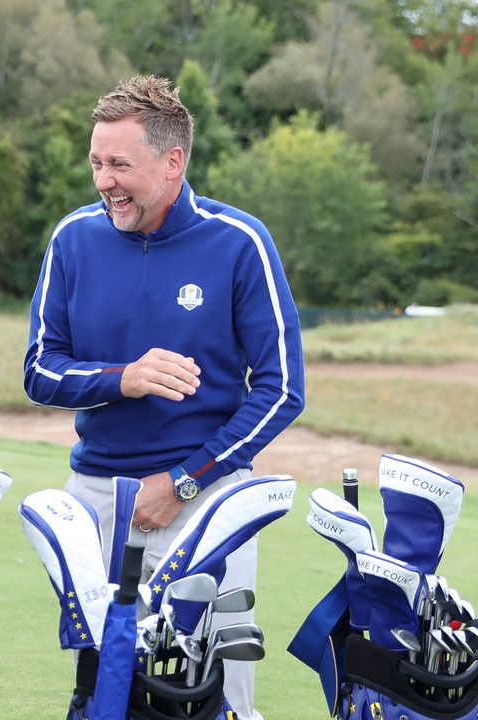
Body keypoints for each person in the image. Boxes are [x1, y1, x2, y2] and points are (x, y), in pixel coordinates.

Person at [23, 75, 304, 720]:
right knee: (102, 692)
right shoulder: (72, 238)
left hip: (204, 501)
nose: (103, 180)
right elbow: (39, 371)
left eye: (120, 164)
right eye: (96, 162)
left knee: (217, 698)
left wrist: (181, 481)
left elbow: (282, 388)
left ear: (173, 161)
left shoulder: (239, 242)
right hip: (94, 498)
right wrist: (121, 378)